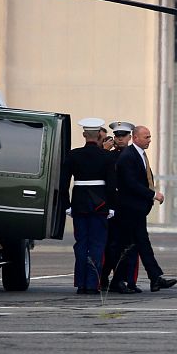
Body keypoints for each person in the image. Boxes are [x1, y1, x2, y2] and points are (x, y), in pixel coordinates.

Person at [114, 125, 177, 292]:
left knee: (141, 243)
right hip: (128, 209)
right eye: (146, 137)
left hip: (137, 209)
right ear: (135, 138)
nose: (149, 140)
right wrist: (152, 194)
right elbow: (130, 183)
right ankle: (117, 280)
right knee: (126, 245)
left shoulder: (139, 154)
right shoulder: (128, 156)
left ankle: (154, 278)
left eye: (149, 137)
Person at [61, 117, 117, 294]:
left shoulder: (73, 155)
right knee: (97, 245)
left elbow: (63, 183)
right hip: (100, 205)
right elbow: (111, 184)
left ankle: (81, 284)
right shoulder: (107, 157)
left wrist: (67, 205)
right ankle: (93, 284)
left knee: (81, 244)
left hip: (79, 204)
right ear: (100, 136)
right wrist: (112, 206)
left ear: (84, 134)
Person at [100, 121, 142, 294]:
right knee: (112, 246)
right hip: (113, 208)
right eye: (117, 136)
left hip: (130, 207)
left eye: (123, 136)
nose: (119, 139)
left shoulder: (135, 156)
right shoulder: (109, 156)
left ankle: (128, 280)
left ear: (129, 137)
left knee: (131, 246)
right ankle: (106, 278)